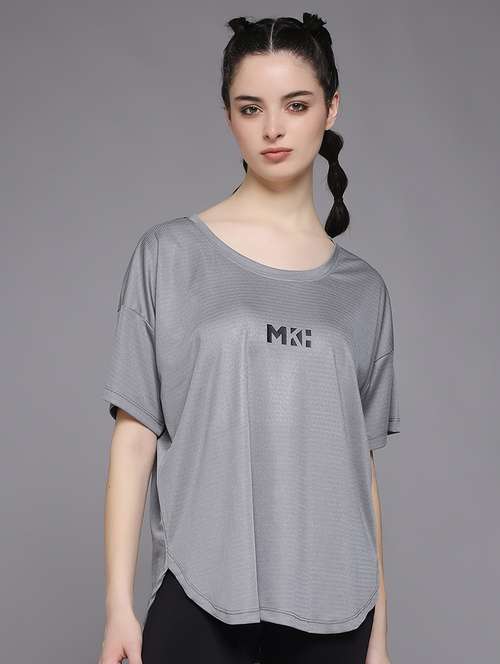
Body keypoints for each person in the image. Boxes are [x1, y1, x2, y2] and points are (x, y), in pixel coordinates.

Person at [98, 12, 401, 664]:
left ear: (331, 108)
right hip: (201, 595)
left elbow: (360, 471)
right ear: (229, 117)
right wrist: (119, 605)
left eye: (296, 105)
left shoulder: (364, 291)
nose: (273, 129)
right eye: (250, 108)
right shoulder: (169, 255)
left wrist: (379, 636)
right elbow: (134, 437)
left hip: (338, 609)